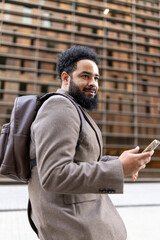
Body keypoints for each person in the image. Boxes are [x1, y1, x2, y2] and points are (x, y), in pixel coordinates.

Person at [28, 45, 153, 240]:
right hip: (72, 227)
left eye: (96, 78)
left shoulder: (74, 108)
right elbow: (54, 175)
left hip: (82, 223)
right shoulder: (59, 106)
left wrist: (121, 162)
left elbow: (84, 159)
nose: (93, 83)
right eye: (85, 76)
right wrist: (118, 168)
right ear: (66, 78)